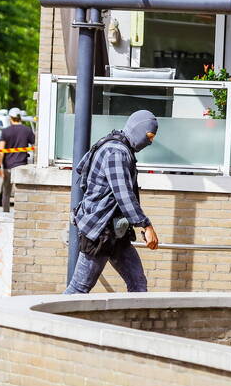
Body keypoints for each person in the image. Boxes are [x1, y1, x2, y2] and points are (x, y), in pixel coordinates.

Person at [65, 110, 160, 294]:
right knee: (78, 289)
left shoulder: (111, 144)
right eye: (149, 136)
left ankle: (136, 322)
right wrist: (146, 225)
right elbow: (123, 194)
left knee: (138, 284)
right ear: (138, 130)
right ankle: (50, 322)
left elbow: (80, 167)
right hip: (100, 231)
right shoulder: (116, 152)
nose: (150, 142)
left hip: (117, 231)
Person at [0, 107, 35, 212]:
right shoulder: (27, 130)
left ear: (10, 118)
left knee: (6, 192)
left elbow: (1, 150)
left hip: (8, 167)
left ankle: (5, 213)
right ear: (20, 118)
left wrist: (0, 166)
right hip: (21, 166)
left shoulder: (5, 132)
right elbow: (35, 145)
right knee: (20, 192)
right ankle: (20, 214)